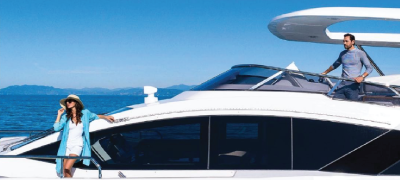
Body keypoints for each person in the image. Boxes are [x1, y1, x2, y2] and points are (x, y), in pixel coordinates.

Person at [54, 94, 114, 177]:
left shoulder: (85, 114)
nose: (68, 102)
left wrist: (106, 117)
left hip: (77, 145)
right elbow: (56, 128)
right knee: (64, 170)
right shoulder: (66, 117)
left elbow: (95, 116)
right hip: (66, 146)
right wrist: (59, 115)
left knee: (67, 168)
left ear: (76, 103)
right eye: (66, 101)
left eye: (70, 101)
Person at [321, 33, 373, 100]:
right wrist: (325, 73)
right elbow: (335, 65)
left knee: (352, 106)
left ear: (352, 42)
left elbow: (369, 68)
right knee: (335, 103)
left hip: (353, 85)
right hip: (341, 84)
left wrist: (362, 77)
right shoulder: (342, 53)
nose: (344, 43)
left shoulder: (360, 53)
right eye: (343, 41)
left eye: (346, 41)